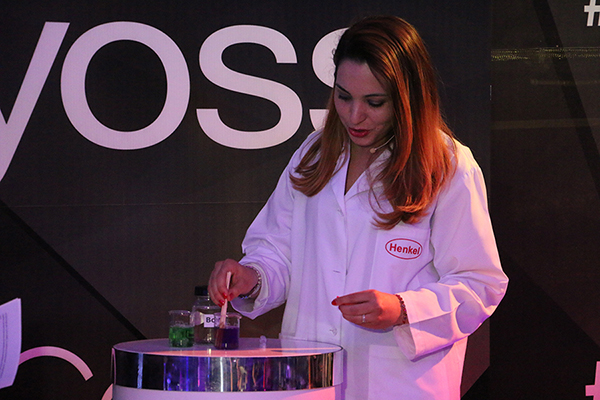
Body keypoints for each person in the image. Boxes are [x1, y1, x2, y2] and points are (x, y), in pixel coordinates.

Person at [208, 15, 508, 399]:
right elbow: (277, 252)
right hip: (310, 379)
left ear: (407, 98)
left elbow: (480, 284)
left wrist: (402, 310)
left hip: (401, 385)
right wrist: (251, 276)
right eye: (344, 96)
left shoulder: (448, 165)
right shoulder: (314, 155)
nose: (354, 116)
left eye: (374, 102)